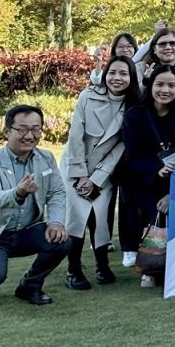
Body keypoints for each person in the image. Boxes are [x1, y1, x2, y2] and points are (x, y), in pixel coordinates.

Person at [0, 106, 69, 310]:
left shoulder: (46, 158)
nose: (30, 136)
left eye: (36, 129)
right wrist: (18, 193)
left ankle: (29, 286)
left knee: (63, 240)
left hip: (26, 232)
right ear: (7, 132)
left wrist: (55, 222)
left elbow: (56, 192)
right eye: (22, 129)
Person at [61, 56, 139, 290]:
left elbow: (121, 147)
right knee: (76, 218)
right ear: (105, 74)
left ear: (131, 77)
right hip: (75, 166)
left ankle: (102, 266)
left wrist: (96, 178)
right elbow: (75, 137)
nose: (117, 78)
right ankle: (73, 269)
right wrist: (80, 175)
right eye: (112, 72)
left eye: (123, 73)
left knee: (101, 218)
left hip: (104, 171)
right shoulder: (87, 96)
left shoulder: (134, 106)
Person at [120, 64, 175, 287]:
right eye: (160, 84)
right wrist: (155, 170)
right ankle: (151, 267)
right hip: (145, 180)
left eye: (171, 85)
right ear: (151, 86)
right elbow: (133, 156)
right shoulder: (135, 115)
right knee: (151, 212)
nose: (165, 90)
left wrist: (172, 193)